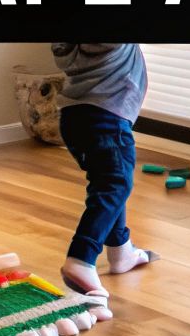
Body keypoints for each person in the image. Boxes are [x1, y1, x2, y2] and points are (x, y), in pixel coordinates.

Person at [52, 43, 156, 299]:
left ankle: (121, 249)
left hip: (75, 116)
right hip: (106, 119)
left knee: (109, 182)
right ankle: (81, 257)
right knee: (115, 184)